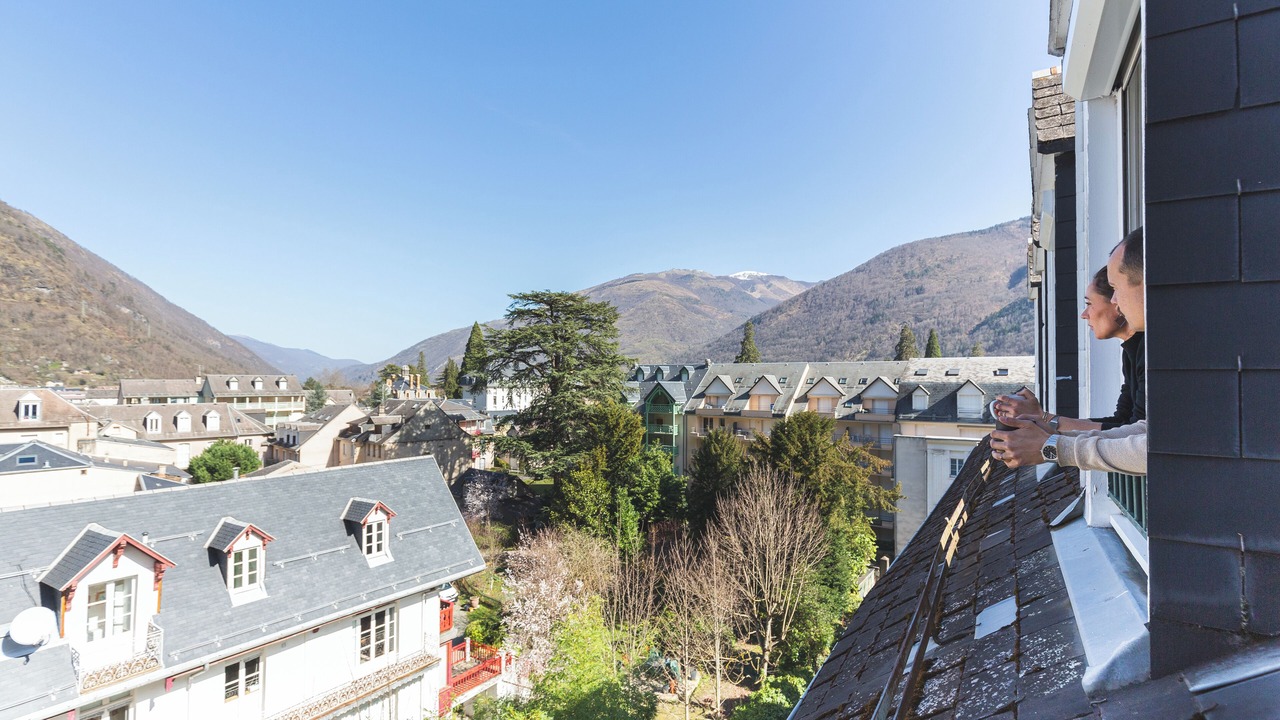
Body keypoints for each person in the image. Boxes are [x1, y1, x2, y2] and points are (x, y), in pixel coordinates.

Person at [992, 229, 1147, 475]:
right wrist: (1049, 433)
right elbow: (1138, 430)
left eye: (1089, 303)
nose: (1115, 300)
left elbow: (1146, 442)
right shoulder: (1137, 352)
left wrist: (1052, 442)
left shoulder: (1153, 350)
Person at [993, 266, 1145, 431]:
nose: (1084, 314)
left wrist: (1043, 418)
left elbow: (1135, 432)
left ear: (1117, 303)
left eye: (1089, 303)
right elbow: (1121, 422)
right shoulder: (1131, 352)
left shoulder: (1147, 352)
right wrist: (1042, 419)